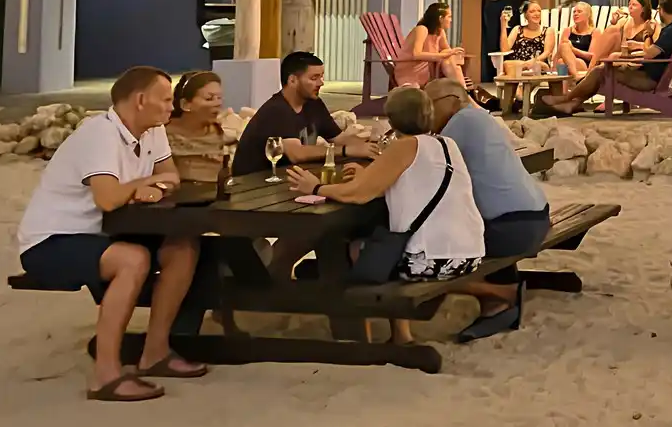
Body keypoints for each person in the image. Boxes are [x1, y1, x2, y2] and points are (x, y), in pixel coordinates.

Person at [17, 66, 210, 399]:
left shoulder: (152, 130)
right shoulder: (101, 134)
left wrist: (156, 186)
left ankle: (155, 353)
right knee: (132, 259)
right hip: (52, 240)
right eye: (164, 99)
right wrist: (142, 184)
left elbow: (171, 176)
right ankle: (105, 376)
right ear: (139, 100)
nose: (171, 106)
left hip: (104, 233)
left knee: (183, 245)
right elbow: (107, 199)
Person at [287, 88, 485, 344]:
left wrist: (315, 187)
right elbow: (409, 181)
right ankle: (400, 335)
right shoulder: (447, 144)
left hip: (431, 260)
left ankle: (359, 335)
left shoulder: (403, 146)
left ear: (392, 120)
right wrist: (366, 176)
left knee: (352, 247)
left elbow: (356, 195)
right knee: (384, 241)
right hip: (471, 253)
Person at [423, 80, 550, 342]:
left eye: (429, 105)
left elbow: (429, 168)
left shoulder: (462, 122)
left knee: (420, 255)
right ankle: (498, 303)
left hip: (513, 227)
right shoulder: (479, 117)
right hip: (534, 217)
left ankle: (501, 295)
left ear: (453, 100)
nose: (426, 113)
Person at [536, 0, 672, 116]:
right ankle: (572, 104)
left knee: (600, 71)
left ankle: (567, 98)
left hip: (648, 79)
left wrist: (646, 36)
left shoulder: (670, 31)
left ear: (662, 10)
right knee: (603, 70)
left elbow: (650, 53)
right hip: (648, 72)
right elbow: (652, 53)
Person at [232, 51, 367, 176]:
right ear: (292, 80)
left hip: (286, 179)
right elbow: (297, 154)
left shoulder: (314, 104)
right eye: (314, 78)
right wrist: (345, 150)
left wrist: (372, 146)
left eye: (321, 76)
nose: (321, 83)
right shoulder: (277, 110)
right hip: (254, 184)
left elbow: (339, 139)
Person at [162, 69, 227, 168]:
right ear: (185, 104)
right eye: (209, 98)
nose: (218, 103)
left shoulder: (223, 133)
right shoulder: (162, 136)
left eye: (219, 98)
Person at [404, 3, 471, 87]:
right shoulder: (422, 29)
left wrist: (455, 54)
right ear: (440, 18)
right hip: (412, 72)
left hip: (428, 70)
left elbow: (447, 52)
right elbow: (416, 54)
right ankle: (463, 91)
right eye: (449, 17)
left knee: (448, 58)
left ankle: (462, 90)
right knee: (447, 56)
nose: (451, 20)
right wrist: (445, 55)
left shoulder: (439, 32)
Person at [499, 0, 555, 77]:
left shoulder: (548, 31)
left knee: (511, 68)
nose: (536, 14)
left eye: (539, 11)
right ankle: (519, 86)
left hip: (537, 65)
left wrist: (532, 61)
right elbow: (505, 50)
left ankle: (518, 86)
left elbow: (547, 52)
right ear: (525, 15)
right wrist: (503, 25)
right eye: (532, 11)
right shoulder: (517, 29)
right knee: (506, 64)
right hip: (518, 65)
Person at [558, 2, 600, 78]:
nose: (575, 14)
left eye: (579, 11)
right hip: (566, 62)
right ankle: (576, 77)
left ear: (588, 15)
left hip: (584, 64)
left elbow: (592, 56)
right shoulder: (567, 31)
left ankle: (569, 84)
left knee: (563, 61)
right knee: (562, 56)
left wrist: (573, 49)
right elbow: (561, 51)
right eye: (574, 12)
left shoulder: (595, 32)